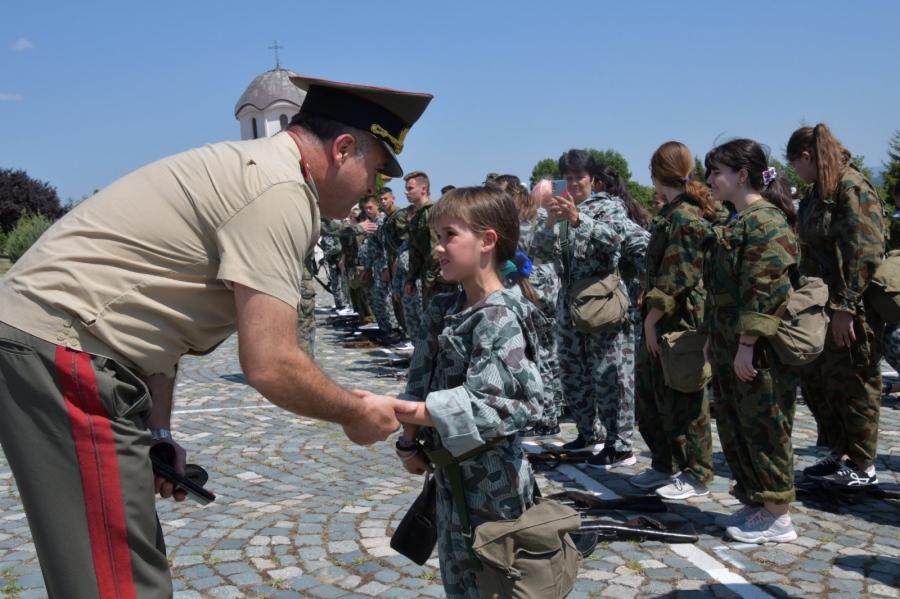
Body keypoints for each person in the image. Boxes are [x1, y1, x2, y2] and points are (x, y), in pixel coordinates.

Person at [0, 75, 431, 598]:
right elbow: (270, 362)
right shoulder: (279, 192)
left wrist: (158, 434)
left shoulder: (262, 174)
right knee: (115, 580)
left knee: (117, 563)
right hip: (63, 350)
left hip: (69, 347)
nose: (375, 187)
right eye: (376, 169)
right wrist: (354, 413)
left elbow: (160, 326)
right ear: (343, 149)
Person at [366, 186, 544, 599]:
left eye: (449, 235)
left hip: (493, 483)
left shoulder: (499, 316)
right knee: (459, 583)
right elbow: (420, 376)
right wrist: (408, 442)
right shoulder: (445, 307)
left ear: (487, 241)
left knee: (495, 584)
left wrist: (398, 409)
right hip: (449, 475)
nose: (438, 248)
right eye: (437, 237)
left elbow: (503, 406)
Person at [702, 139, 800, 543]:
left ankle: (778, 514)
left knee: (764, 421)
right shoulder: (736, 219)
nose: (709, 180)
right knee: (735, 420)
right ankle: (757, 499)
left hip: (755, 344)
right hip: (729, 334)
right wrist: (716, 337)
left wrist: (745, 345)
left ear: (742, 175)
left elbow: (765, 291)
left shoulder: (764, 221)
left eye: (716, 172)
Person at [532, 150, 649, 468]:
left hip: (602, 298)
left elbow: (615, 240)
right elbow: (539, 253)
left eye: (578, 178)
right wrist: (552, 222)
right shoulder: (557, 212)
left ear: (593, 180)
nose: (573, 184)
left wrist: (578, 219)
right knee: (573, 373)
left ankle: (621, 443)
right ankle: (589, 433)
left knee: (610, 374)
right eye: (567, 178)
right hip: (569, 300)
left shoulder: (608, 207)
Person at [787, 123, 886, 487]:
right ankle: (840, 451)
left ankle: (862, 464)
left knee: (855, 382)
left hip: (849, 308)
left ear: (807, 157)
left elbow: (864, 252)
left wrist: (845, 307)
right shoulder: (818, 192)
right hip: (820, 306)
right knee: (821, 382)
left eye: (795, 163)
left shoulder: (852, 187)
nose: (795, 171)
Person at [632, 142, 716, 500]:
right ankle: (663, 464)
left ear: (655, 173)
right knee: (652, 396)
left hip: (678, 320)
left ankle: (696, 472)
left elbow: (678, 276)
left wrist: (651, 320)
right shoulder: (672, 212)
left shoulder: (685, 215)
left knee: (684, 397)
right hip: (661, 318)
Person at [513, 186, 564, 438]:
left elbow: (513, 261)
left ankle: (547, 417)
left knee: (539, 355)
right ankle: (552, 414)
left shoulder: (518, 225)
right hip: (552, 286)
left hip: (531, 288)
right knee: (550, 353)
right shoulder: (544, 219)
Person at [405, 171, 458, 309]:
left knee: (445, 317)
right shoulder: (417, 218)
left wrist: (432, 275)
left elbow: (438, 247)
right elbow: (415, 252)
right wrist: (411, 279)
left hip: (441, 277)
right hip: (428, 277)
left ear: (423, 189)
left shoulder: (434, 212)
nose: (406, 192)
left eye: (410, 188)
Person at [359, 194, 403, 341]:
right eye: (366, 209)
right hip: (375, 265)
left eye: (370, 207)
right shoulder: (372, 222)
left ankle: (394, 329)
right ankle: (384, 328)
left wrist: (386, 267)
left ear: (377, 205)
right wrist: (367, 268)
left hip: (383, 264)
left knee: (386, 299)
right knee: (378, 299)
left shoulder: (382, 222)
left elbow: (386, 246)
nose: (368, 210)